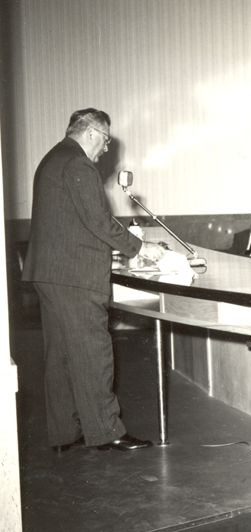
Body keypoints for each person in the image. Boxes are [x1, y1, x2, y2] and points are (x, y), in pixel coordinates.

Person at [22, 108, 165, 451]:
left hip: (51, 274)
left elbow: (71, 223)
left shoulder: (52, 159)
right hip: (74, 276)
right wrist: (140, 248)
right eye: (105, 140)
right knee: (93, 351)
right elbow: (98, 221)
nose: (105, 150)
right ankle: (107, 432)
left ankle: (64, 434)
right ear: (90, 133)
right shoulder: (79, 164)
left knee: (60, 356)